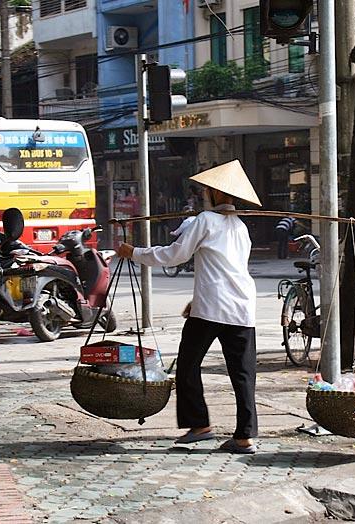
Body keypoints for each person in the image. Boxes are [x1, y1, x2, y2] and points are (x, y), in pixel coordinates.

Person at [117, 160, 261, 454]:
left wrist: (134, 252)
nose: (203, 194)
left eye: (206, 190)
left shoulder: (205, 221)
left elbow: (174, 255)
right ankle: (245, 436)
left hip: (212, 310)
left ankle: (199, 425)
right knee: (243, 374)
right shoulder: (241, 228)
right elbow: (225, 269)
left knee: (187, 365)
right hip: (240, 306)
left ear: (216, 193)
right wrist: (197, 299)